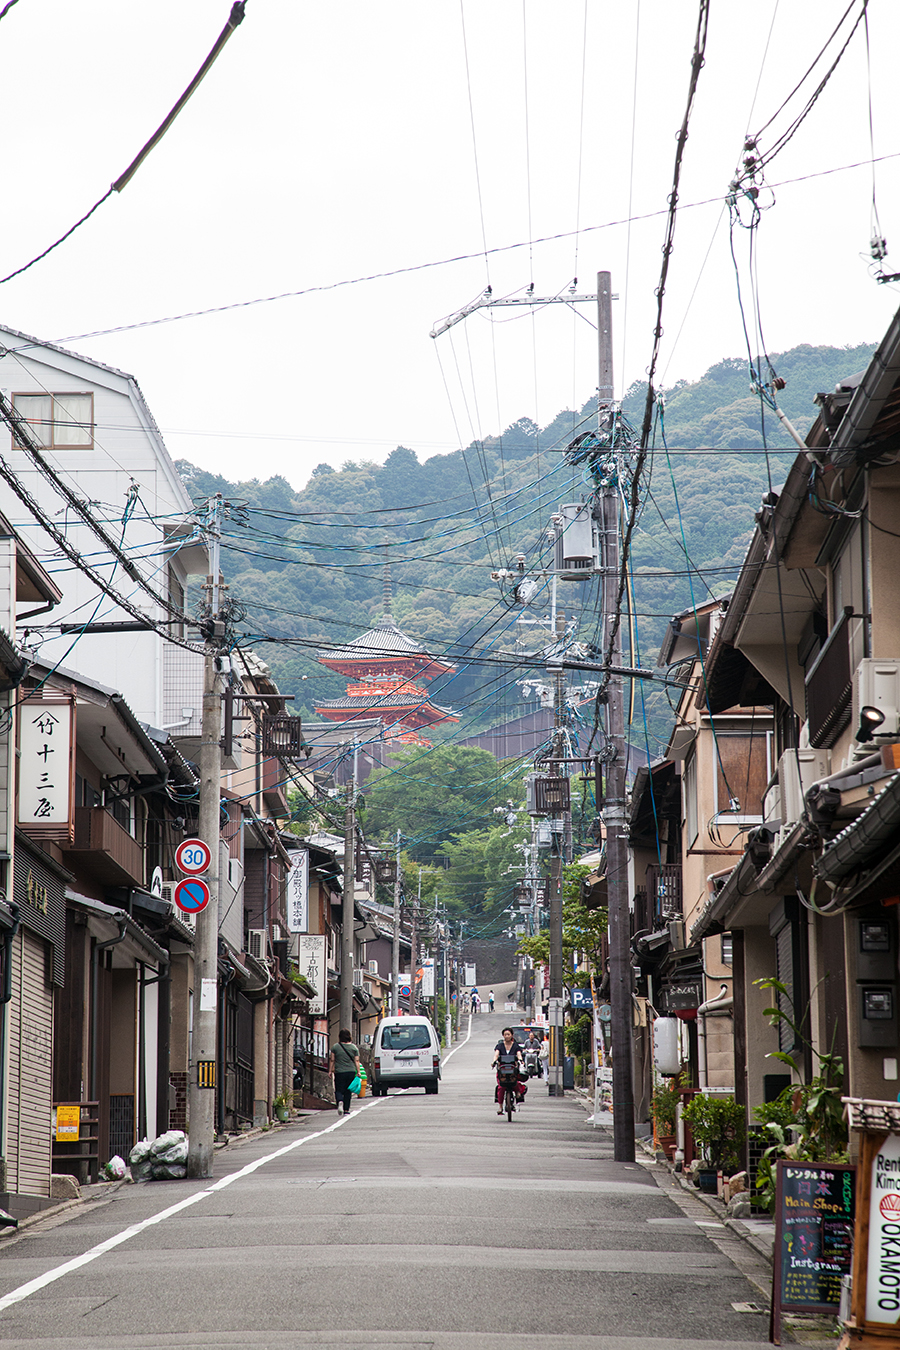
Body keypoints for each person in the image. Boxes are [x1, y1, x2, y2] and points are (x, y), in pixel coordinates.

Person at [492, 1026, 527, 1114]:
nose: (507, 1036)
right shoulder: (499, 1046)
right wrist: (494, 1061)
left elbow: (519, 1054)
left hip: (512, 1070)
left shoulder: (515, 1046)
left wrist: (521, 1060)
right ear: (503, 1036)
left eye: (508, 1034)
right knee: (501, 1087)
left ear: (512, 1035)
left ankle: (518, 1093)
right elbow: (496, 1054)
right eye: (505, 1034)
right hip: (502, 1070)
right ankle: (500, 1107)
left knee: (515, 1082)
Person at [328, 1028, 361, 1116]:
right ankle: (346, 1109)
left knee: (339, 1089)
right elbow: (356, 1061)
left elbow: (332, 1060)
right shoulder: (354, 1048)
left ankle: (340, 1101)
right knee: (348, 1091)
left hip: (339, 1072)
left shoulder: (335, 1047)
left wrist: (330, 1071)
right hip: (350, 1071)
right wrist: (358, 1071)